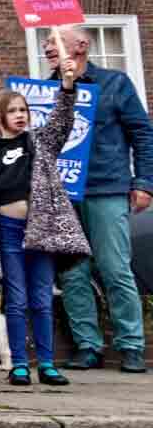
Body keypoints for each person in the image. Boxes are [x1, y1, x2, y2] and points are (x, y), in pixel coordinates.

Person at [0, 74, 90, 386]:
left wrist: (68, 88)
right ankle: (19, 363)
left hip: (41, 230)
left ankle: (47, 363)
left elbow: (62, 122)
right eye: (13, 110)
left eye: (24, 110)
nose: (21, 115)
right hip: (6, 231)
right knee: (16, 299)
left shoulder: (39, 143)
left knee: (42, 298)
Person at [46, 27, 153, 372]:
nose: (47, 46)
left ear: (81, 46)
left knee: (115, 267)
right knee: (73, 274)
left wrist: (144, 181)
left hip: (107, 187)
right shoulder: (43, 90)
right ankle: (88, 345)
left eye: (54, 41)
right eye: (47, 42)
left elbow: (142, 132)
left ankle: (132, 345)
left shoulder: (115, 83)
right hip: (62, 193)